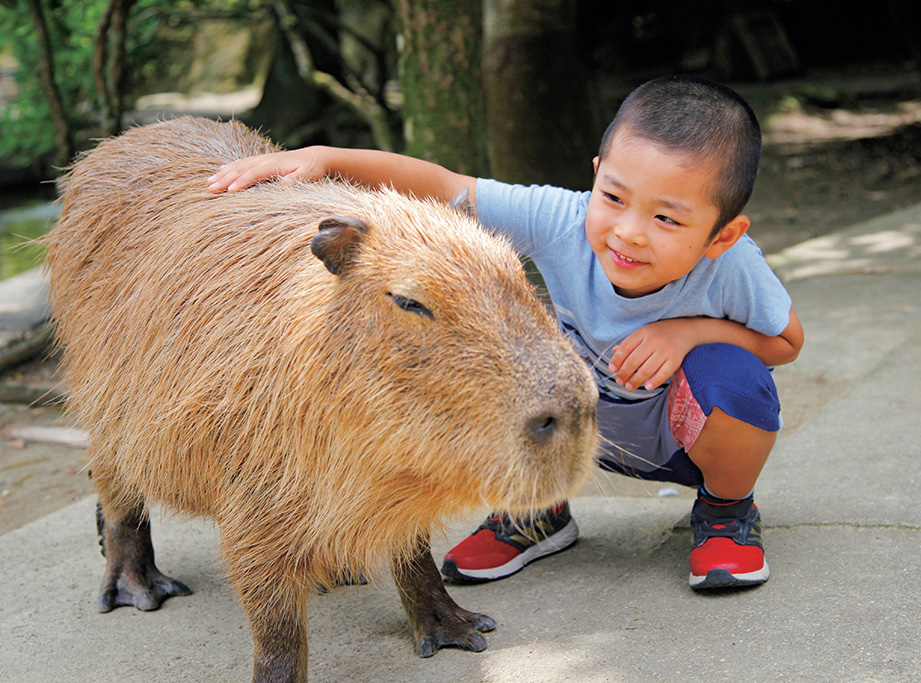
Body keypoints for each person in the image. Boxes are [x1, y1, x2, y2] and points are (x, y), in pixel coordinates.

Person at [208, 75, 804, 590]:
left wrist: (689, 332)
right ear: (596, 176)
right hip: (567, 419)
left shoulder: (733, 265)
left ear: (723, 234)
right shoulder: (563, 219)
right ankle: (536, 510)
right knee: (489, 343)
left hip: (675, 436)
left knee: (735, 377)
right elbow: (442, 183)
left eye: (666, 217)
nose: (629, 232)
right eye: (614, 197)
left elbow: (787, 342)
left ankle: (726, 513)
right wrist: (323, 158)